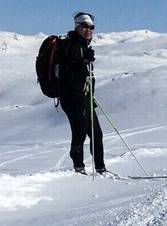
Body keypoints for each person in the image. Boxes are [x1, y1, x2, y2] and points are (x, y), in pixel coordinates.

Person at [58, 12, 106, 174]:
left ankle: (100, 168)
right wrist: (83, 60)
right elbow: (70, 72)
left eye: (91, 27)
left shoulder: (83, 46)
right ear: (77, 27)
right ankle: (79, 169)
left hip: (84, 96)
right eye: (85, 26)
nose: (89, 30)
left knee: (96, 134)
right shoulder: (71, 46)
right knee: (79, 134)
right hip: (72, 98)